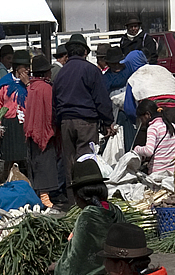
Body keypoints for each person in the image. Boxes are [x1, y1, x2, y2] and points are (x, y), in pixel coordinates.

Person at [19, 159, 125, 275]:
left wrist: (57, 270)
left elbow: (76, 261)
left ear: (79, 196)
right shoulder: (115, 211)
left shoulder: (87, 217)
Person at [52, 34, 114, 192]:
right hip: (86, 122)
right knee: (85, 161)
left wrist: (59, 122)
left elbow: (55, 102)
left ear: (69, 53)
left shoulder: (61, 73)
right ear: (85, 52)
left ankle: (73, 200)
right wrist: (107, 122)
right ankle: (86, 197)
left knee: (69, 162)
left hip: (66, 122)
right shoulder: (91, 70)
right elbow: (101, 99)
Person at [24, 55, 65, 211]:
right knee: (45, 164)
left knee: (37, 164)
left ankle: (41, 196)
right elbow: (51, 111)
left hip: (32, 131)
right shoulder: (46, 88)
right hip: (44, 131)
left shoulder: (32, 86)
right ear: (47, 72)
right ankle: (45, 198)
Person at [124, 55, 175, 148]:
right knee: (173, 148)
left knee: (145, 150)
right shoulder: (162, 70)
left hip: (151, 116)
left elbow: (129, 109)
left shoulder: (134, 77)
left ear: (130, 65)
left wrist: (137, 122)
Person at [0, 49, 30, 175]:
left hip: (25, 123)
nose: (27, 70)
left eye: (28, 67)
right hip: (9, 123)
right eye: (24, 67)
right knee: (9, 158)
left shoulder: (29, 83)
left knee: (26, 158)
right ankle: (7, 181)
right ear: (16, 67)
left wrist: (28, 85)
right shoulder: (5, 83)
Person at [132, 98, 175, 176]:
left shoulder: (153, 128)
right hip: (173, 171)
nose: (142, 122)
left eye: (141, 119)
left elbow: (149, 151)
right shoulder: (172, 126)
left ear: (147, 115)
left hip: (157, 172)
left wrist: (136, 149)